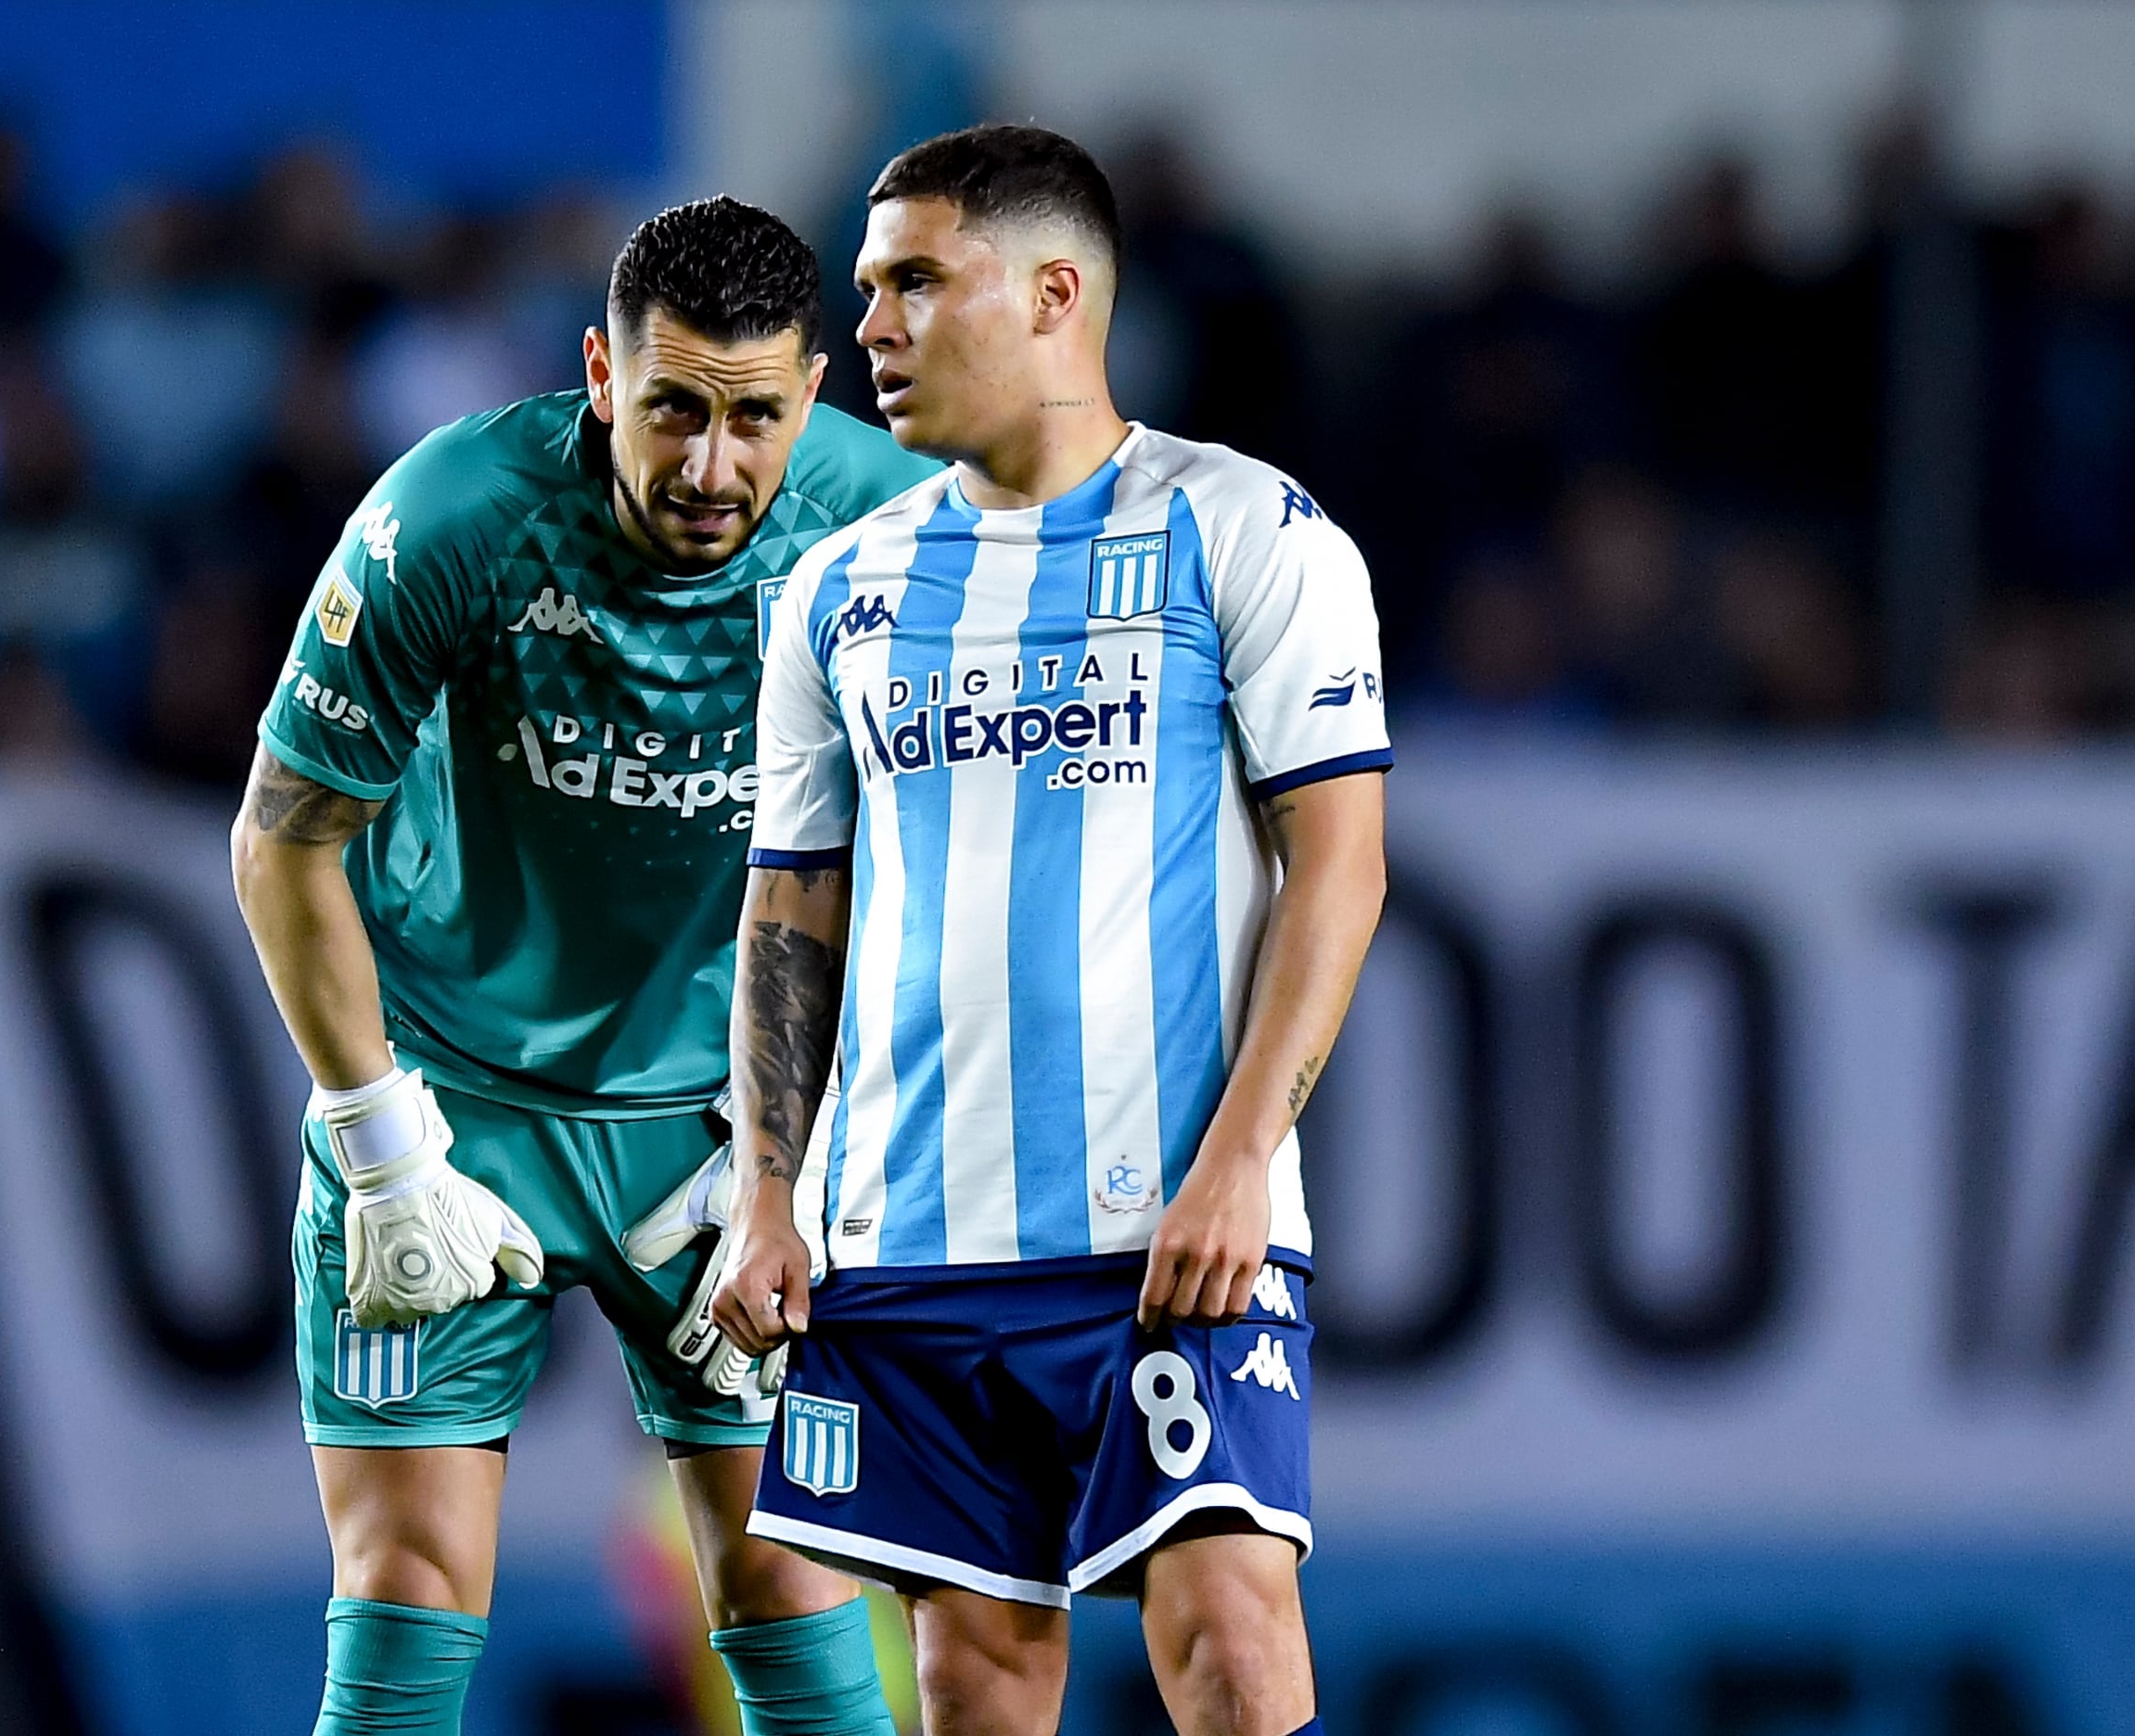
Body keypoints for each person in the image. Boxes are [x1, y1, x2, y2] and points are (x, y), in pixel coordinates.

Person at [710, 125, 1395, 1736]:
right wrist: (762, 1190)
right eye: (865, 289)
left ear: (1055, 294)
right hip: (911, 1237)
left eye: (913, 285)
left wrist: (1238, 1159)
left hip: (1167, 1222)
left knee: (1230, 1630)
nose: (867, 327)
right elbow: (791, 901)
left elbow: (1342, 868)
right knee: (977, 1672)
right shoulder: (837, 590)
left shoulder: (1245, 531)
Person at [231, 197, 938, 1736]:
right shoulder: (452, 519)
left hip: (707, 1122)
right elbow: (283, 842)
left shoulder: (898, 534)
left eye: (755, 417)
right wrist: (380, 1144)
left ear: (812, 393)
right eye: (673, 407)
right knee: (412, 1585)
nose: (709, 465)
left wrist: (793, 1154)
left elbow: (962, 860)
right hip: (451, 1107)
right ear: (602, 376)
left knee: (794, 1580)